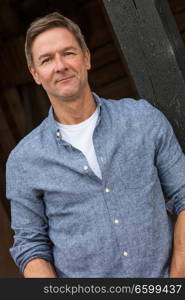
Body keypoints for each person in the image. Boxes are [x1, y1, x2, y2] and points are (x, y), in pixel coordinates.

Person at [6, 12, 185, 278]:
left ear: (86, 58)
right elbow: (30, 247)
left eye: (68, 53)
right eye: (47, 60)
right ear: (35, 74)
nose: (60, 66)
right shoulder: (24, 161)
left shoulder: (142, 120)